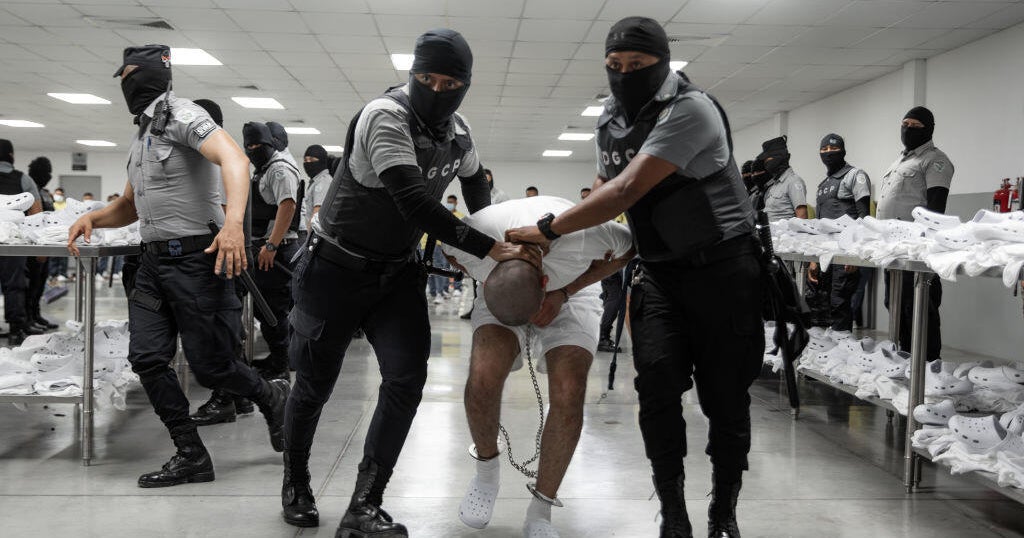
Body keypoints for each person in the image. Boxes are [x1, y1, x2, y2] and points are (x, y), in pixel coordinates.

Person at [506, 17, 761, 538]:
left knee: (725, 398)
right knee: (657, 391)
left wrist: (548, 229)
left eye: (637, 64)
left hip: (722, 272)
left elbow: (626, 191)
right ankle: (673, 513)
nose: (624, 74)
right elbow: (605, 186)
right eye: (614, 65)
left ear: (663, 63)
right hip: (661, 275)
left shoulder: (691, 109)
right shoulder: (610, 117)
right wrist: (567, 255)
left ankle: (723, 512)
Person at [281, 28, 540, 534]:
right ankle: (296, 483)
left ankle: (365, 504)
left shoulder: (459, 130)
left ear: (465, 85)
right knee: (313, 385)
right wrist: (487, 248)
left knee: (406, 381)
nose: (437, 90)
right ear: (412, 74)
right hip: (334, 270)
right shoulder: (384, 116)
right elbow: (415, 202)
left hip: (396, 274)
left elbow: (475, 178)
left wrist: (484, 230)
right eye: (427, 78)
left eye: (450, 83)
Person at [67, 44, 290, 488]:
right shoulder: (142, 136)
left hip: (196, 261)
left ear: (154, 74)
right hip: (152, 263)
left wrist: (232, 225)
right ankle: (190, 453)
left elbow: (235, 159)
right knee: (147, 359)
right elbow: (130, 205)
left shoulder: (183, 115)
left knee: (212, 367)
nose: (125, 83)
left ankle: (271, 395)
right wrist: (95, 218)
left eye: (130, 74)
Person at [443, 195, 634, 537]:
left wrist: (567, 291)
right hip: (501, 286)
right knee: (483, 376)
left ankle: (541, 509)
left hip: (573, 287)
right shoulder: (472, 238)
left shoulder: (587, 235)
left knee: (569, 390)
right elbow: (448, 250)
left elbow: (629, 249)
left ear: (546, 283)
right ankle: (486, 473)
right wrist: (479, 275)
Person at [878, 106, 952, 362]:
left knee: (919, 308)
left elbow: (936, 207)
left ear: (928, 129)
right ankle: (905, 359)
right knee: (894, 304)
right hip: (892, 249)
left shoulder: (935, 160)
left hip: (916, 249)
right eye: (905, 124)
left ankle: (927, 364)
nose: (908, 129)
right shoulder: (899, 161)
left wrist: (926, 245)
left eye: (915, 125)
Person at [242, 122, 301, 380]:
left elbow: (287, 206)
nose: (253, 149)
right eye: (249, 146)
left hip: (277, 250)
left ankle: (282, 366)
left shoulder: (279, 169)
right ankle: (277, 358)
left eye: (258, 145)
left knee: (273, 310)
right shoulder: (263, 170)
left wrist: (271, 245)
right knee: (264, 309)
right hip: (266, 250)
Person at [806, 134, 872, 332]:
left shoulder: (855, 175)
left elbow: (864, 217)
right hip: (825, 255)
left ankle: (842, 347)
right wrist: (813, 260)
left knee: (839, 303)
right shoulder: (822, 186)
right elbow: (819, 227)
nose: (828, 153)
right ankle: (827, 347)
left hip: (845, 254)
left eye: (833, 149)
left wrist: (854, 255)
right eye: (824, 150)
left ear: (843, 151)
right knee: (821, 305)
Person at [0, 139, 44, 343]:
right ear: (11, 156)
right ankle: (15, 330)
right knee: (14, 285)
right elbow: (36, 214)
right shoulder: (23, 179)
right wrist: (41, 247)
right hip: (13, 243)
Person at [27, 156, 58, 330]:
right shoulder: (28, 193)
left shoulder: (45, 193)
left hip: (48, 244)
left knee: (40, 283)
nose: (48, 176)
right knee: (31, 283)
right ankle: (28, 317)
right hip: (33, 246)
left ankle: (36, 314)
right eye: (46, 172)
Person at [757, 135, 807, 220]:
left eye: (767, 159)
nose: (765, 163)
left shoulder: (793, 181)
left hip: (784, 229)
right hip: (770, 228)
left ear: (779, 158)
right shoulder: (775, 184)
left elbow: (802, 217)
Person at [301, 144, 331, 231]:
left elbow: (317, 213)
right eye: (305, 160)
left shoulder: (323, 181)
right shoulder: (315, 181)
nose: (308, 163)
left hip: (314, 234)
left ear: (321, 161)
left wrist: (309, 236)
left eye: (311, 159)